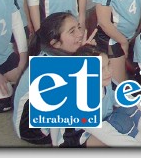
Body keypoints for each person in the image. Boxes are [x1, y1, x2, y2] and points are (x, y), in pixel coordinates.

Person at [49, 45, 141, 147]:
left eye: (108, 64)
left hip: (101, 125)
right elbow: (108, 134)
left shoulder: (108, 82)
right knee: (119, 126)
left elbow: (136, 103)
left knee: (130, 111)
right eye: (100, 69)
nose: (108, 72)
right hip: (73, 142)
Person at [12, 12, 87, 145]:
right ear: (55, 43)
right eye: (72, 31)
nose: (80, 34)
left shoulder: (55, 53)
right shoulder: (49, 68)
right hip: (33, 131)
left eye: (78, 27)